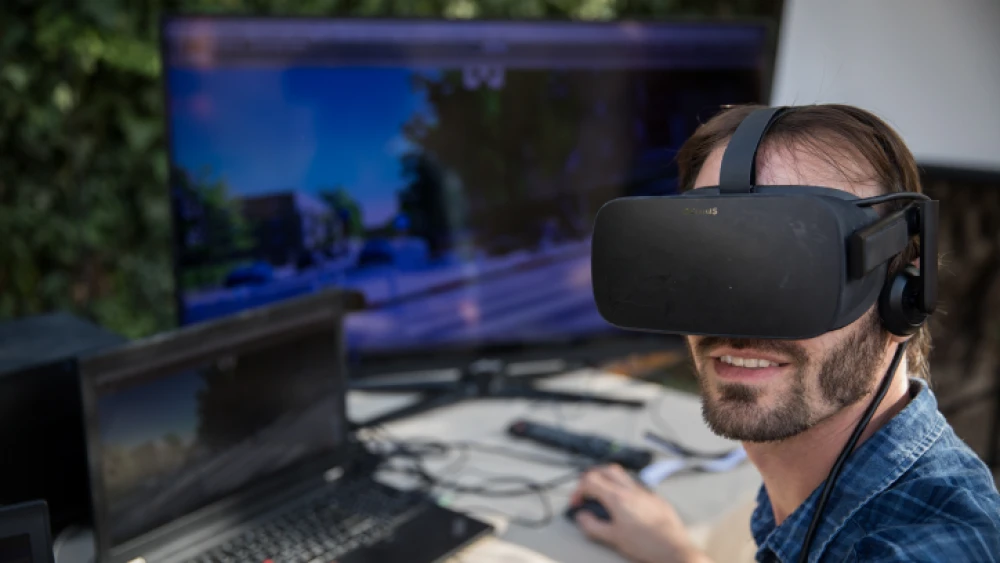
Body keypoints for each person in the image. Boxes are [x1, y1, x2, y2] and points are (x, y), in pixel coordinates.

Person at [569, 104, 1000, 562]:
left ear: (905, 294)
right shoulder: (809, 490)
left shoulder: (925, 548)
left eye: (795, 266)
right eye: (707, 262)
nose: (734, 321)